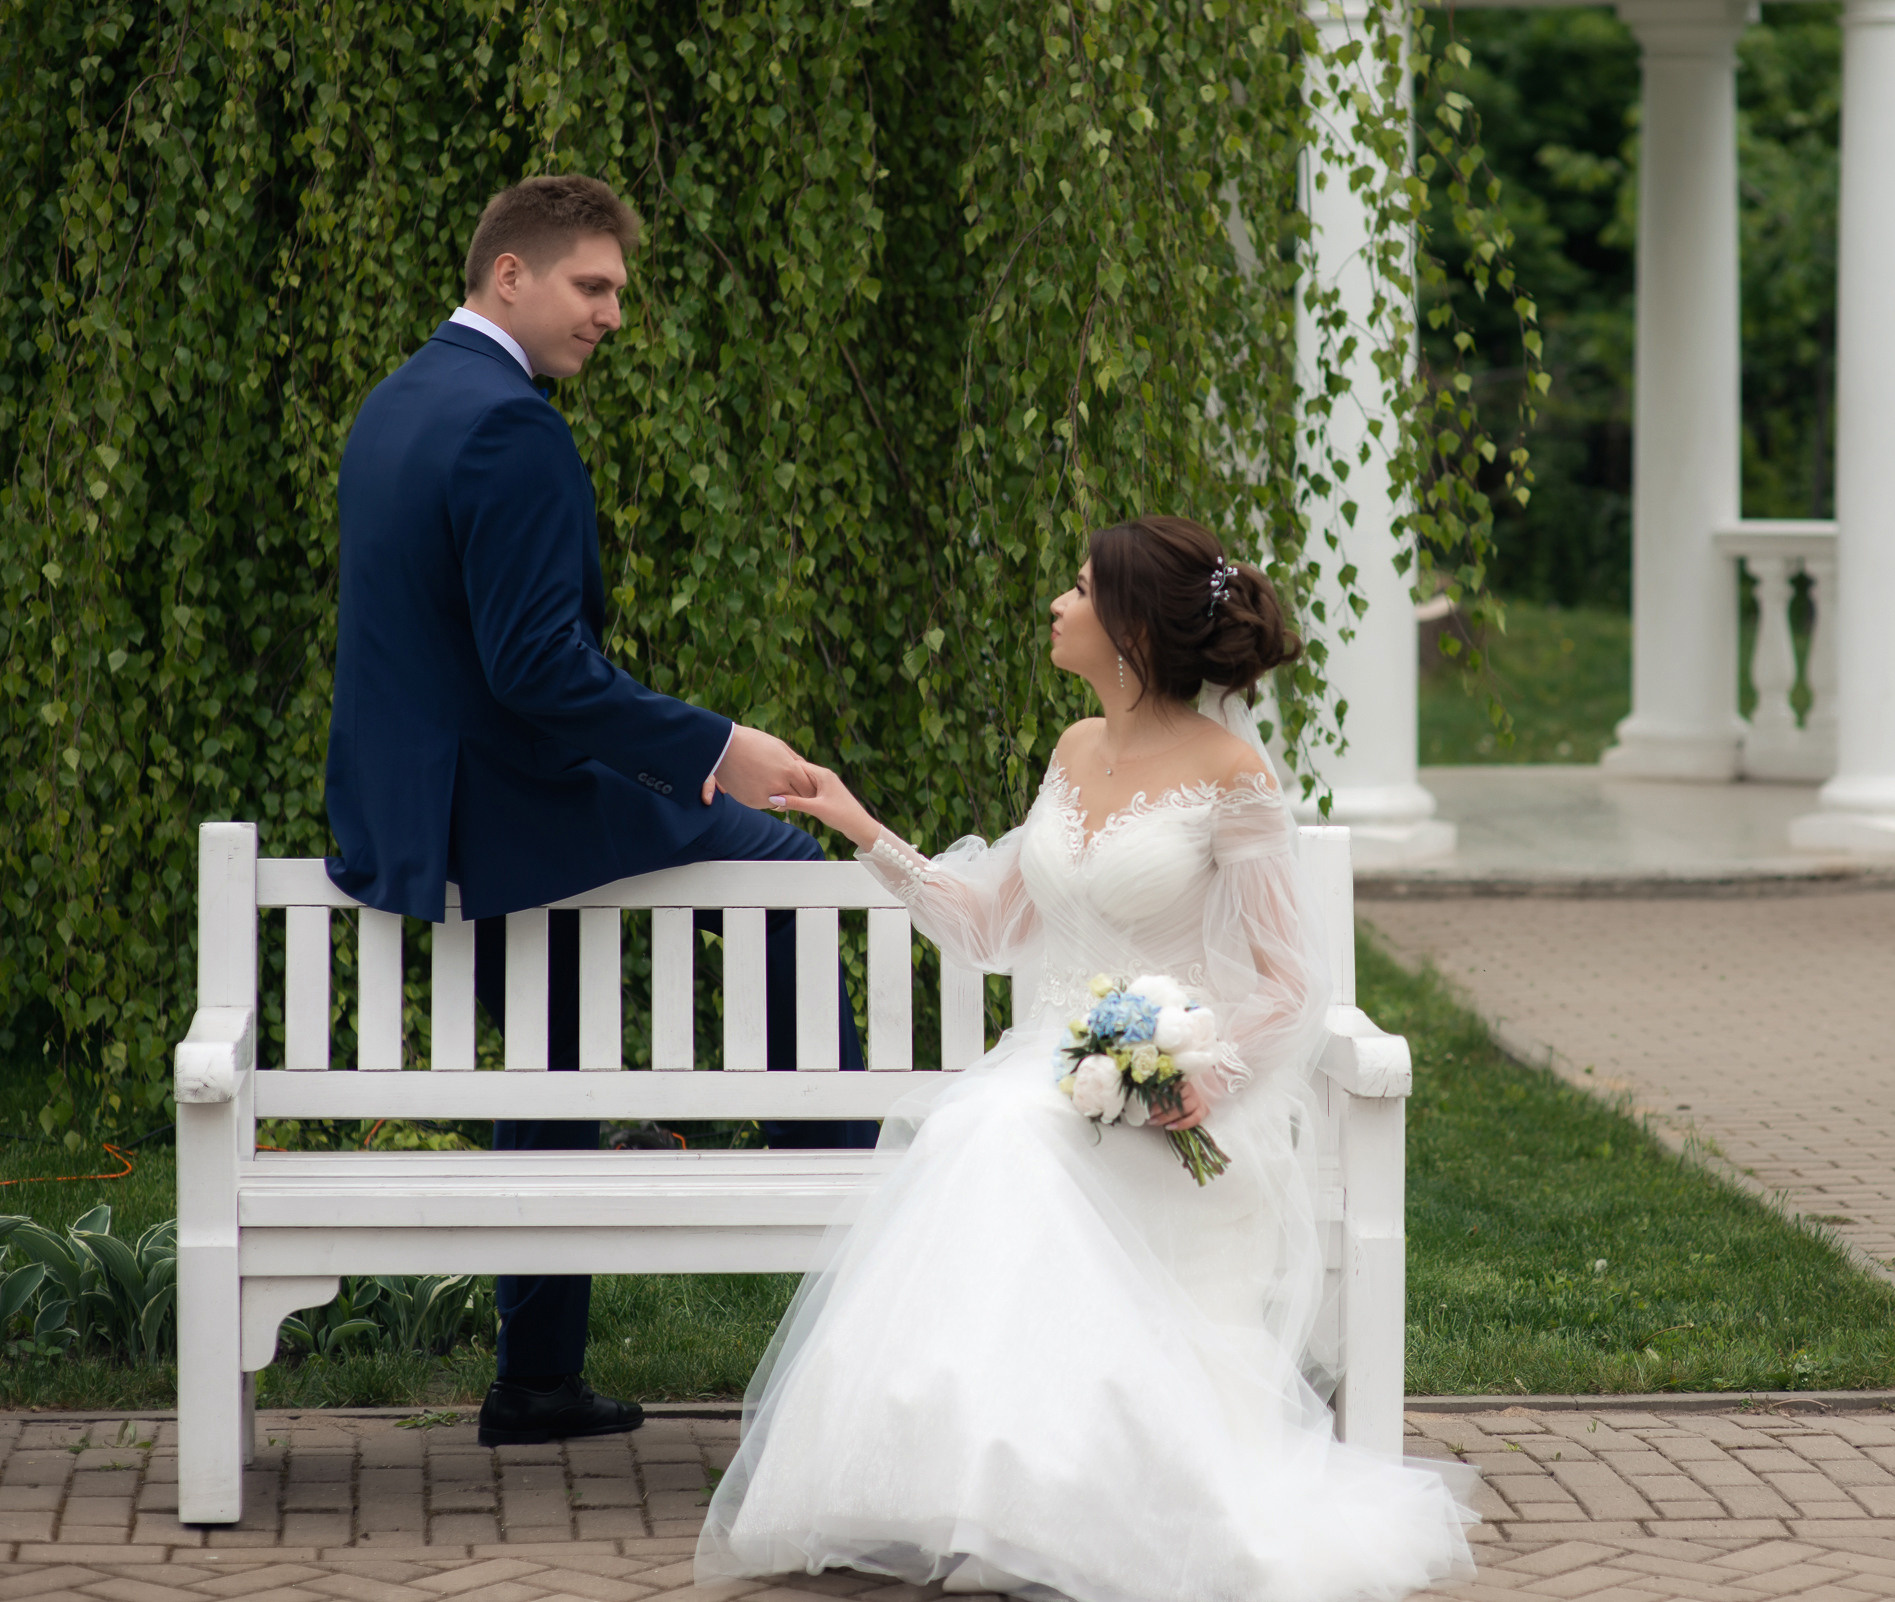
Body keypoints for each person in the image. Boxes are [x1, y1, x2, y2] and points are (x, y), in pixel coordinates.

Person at [698, 516, 1477, 1601]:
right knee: (994, 1128)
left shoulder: (1232, 775)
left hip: (1171, 1109)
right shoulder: (1073, 749)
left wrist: (1195, 1072)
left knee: (997, 1135)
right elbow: (987, 925)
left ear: (1129, 629)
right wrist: (859, 823)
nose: (1056, 605)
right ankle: (971, 1487)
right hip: (1046, 1073)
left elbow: (1290, 987)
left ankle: (1064, 1499)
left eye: (1076, 589)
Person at [324, 173, 871, 1452]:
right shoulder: (511, 425)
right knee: (782, 867)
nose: (615, 313)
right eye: (595, 285)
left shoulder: (396, 403)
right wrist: (720, 751)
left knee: (557, 1033)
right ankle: (854, 1241)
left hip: (419, 815)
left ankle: (539, 1379)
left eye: (616, 290)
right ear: (508, 275)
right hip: (507, 815)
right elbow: (537, 670)